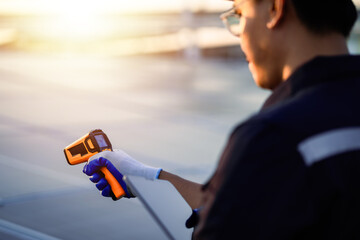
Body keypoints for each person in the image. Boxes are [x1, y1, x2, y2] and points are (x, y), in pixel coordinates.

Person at [83, 0, 360, 239]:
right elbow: (248, 201)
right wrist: (145, 176)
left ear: (275, 9)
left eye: (239, 14)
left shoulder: (274, 138)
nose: (238, 35)